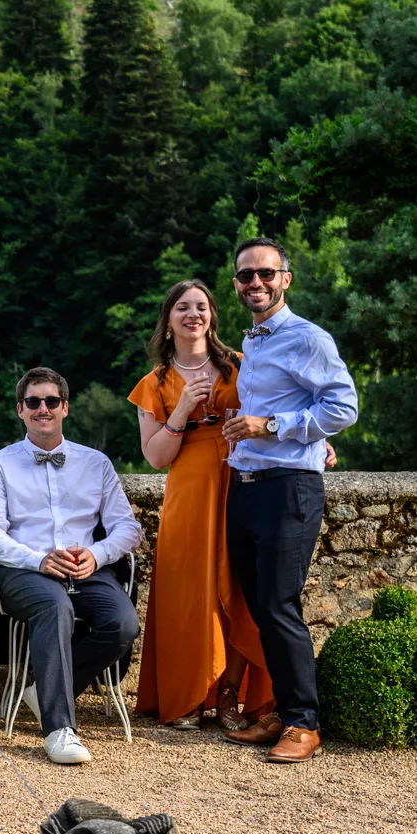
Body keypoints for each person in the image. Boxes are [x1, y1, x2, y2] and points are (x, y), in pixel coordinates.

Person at [220, 237, 358, 763]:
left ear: (286, 279)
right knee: (259, 606)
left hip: (289, 490)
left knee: (279, 604)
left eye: (265, 274)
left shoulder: (307, 338)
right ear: (236, 283)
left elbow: (343, 407)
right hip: (247, 487)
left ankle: (304, 723)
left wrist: (273, 425)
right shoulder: (252, 342)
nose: (255, 282)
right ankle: (282, 709)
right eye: (246, 275)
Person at [0, 367, 143, 765]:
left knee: (123, 624)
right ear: (21, 410)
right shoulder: (0, 465)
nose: (43, 409)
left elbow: (128, 527)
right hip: (24, 571)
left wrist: (97, 555)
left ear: (65, 408)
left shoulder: (96, 463)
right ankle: (58, 730)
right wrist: (37, 559)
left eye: (51, 401)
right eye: (33, 402)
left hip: (86, 567)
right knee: (55, 606)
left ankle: (45, 690)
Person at [129, 279, 275, 732]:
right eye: (183, 308)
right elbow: (155, 458)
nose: (194, 314)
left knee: (244, 585)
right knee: (189, 594)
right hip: (189, 488)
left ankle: (232, 690)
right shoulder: (153, 383)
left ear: (212, 316)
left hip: (241, 478)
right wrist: (180, 412)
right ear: (168, 321)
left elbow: (279, 409)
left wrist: (317, 441)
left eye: (202, 307)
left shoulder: (240, 367)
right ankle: (187, 694)